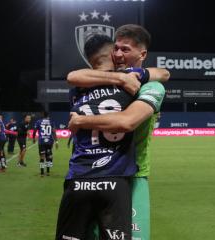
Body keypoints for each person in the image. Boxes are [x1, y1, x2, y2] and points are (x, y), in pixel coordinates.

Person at [66, 24, 169, 240]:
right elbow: (73, 75)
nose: (118, 54)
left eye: (125, 49)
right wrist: (121, 78)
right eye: (116, 48)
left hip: (134, 176)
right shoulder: (100, 80)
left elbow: (128, 121)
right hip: (97, 176)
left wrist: (81, 120)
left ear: (142, 54)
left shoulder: (151, 87)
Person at [32, 111, 58, 177]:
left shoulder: (38, 121)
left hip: (42, 141)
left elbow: (34, 130)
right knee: (48, 156)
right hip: (49, 141)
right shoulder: (51, 122)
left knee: (42, 156)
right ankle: (48, 172)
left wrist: (33, 138)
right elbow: (54, 132)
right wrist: (56, 141)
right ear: (48, 115)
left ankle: (42, 173)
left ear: (43, 115)